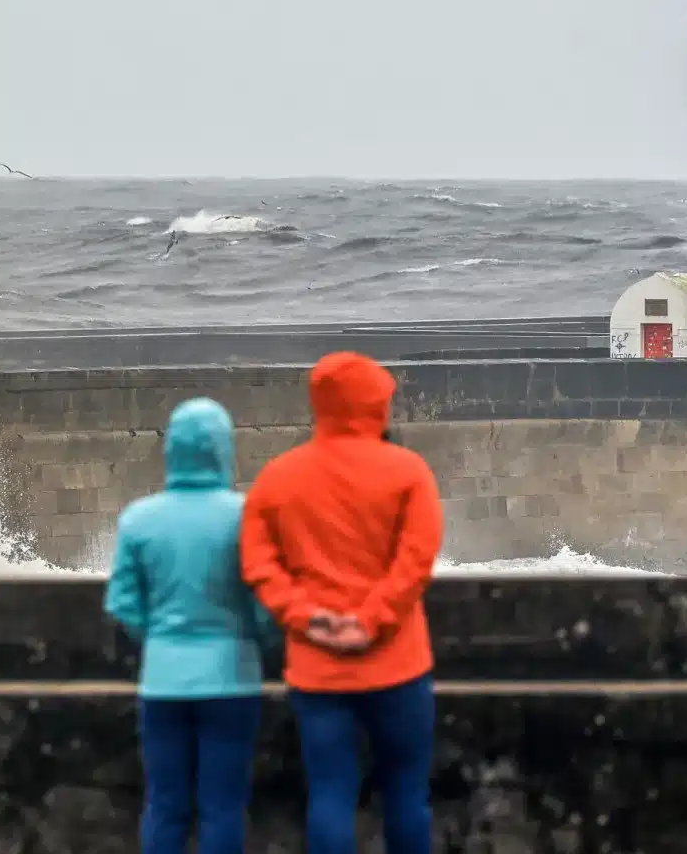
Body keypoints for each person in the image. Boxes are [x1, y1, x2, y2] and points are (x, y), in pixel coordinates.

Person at [240, 351, 445, 854]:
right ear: (376, 404)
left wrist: (307, 618)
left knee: (330, 796)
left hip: (318, 668)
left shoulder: (278, 477)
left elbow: (258, 565)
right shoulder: (408, 471)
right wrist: (372, 620)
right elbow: (416, 558)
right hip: (398, 664)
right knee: (406, 796)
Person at [103, 397, 278, 854]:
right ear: (224, 450)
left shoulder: (140, 519)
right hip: (232, 680)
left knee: (165, 803)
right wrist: (256, 640)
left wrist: (159, 638)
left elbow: (123, 603)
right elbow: (266, 602)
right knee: (222, 804)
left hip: (163, 679)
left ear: (172, 451)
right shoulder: (247, 516)